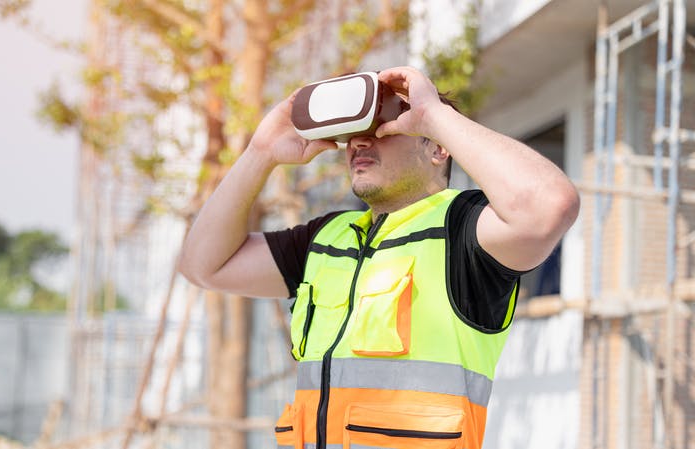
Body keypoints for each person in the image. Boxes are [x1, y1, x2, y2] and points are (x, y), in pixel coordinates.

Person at [178, 66, 579, 449]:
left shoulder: (463, 232)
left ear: (438, 146)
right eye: (353, 133)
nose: (359, 142)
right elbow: (204, 265)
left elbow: (549, 205)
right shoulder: (325, 238)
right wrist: (260, 152)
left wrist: (434, 115)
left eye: (383, 128)